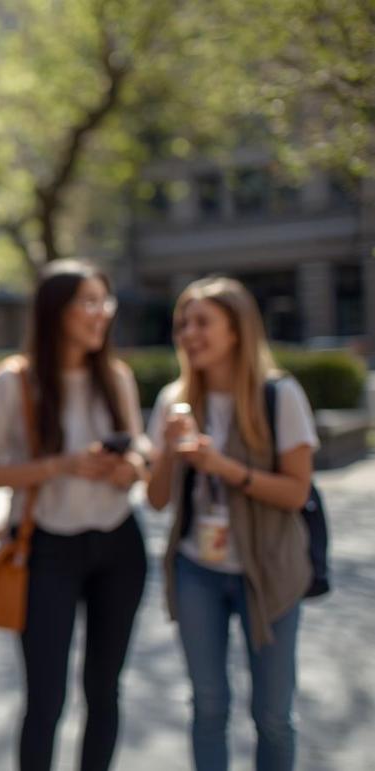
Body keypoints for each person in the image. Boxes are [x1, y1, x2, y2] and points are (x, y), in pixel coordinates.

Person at [0, 259, 148, 771]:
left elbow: (140, 457)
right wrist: (62, 466)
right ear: (55, 311)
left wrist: (126, 468)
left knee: (104, 690)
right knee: (46, 699)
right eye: (88, 302)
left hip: (119, 544)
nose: (101, 313)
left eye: (104, 301)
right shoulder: (13, 381)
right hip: (46, 547)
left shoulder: (116, 377)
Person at [145, 276, 317, 771]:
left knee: (272, 715)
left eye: (202, 322)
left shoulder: (278, 396)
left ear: (237, 330)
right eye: (182, 323)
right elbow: (157, 501)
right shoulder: (173, 401)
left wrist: (222, 467)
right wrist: (169, 455)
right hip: (199, 569)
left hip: (270, 570)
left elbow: (296, 491)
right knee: (208, 706)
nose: (188, 333)